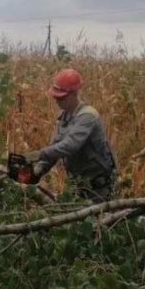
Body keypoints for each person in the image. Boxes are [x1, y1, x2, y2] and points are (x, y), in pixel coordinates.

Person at [23, 68, 117, 202]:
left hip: (98, 188)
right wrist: (34, 173)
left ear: (74, 93)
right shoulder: (63, 118)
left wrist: (36, 155)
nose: (57, 101)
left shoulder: (88, 116)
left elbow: (69, 146)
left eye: (61, 97)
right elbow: (54, 150)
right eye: (55, 97)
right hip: (78, 186)